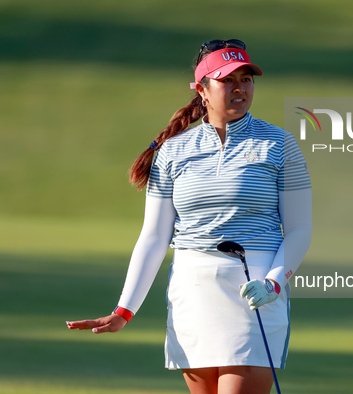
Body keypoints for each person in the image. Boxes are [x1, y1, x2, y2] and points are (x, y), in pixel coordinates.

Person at [66, 39, 312, 394]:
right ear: (202, 90)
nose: (240, 87)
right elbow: (153, 237)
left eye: (246, 78)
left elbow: (300, 228)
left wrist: (274, 282)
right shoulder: (173, 151)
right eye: (227, 80)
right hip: (193, 291)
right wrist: (124, 310)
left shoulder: (279, 144)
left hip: (256, 288)